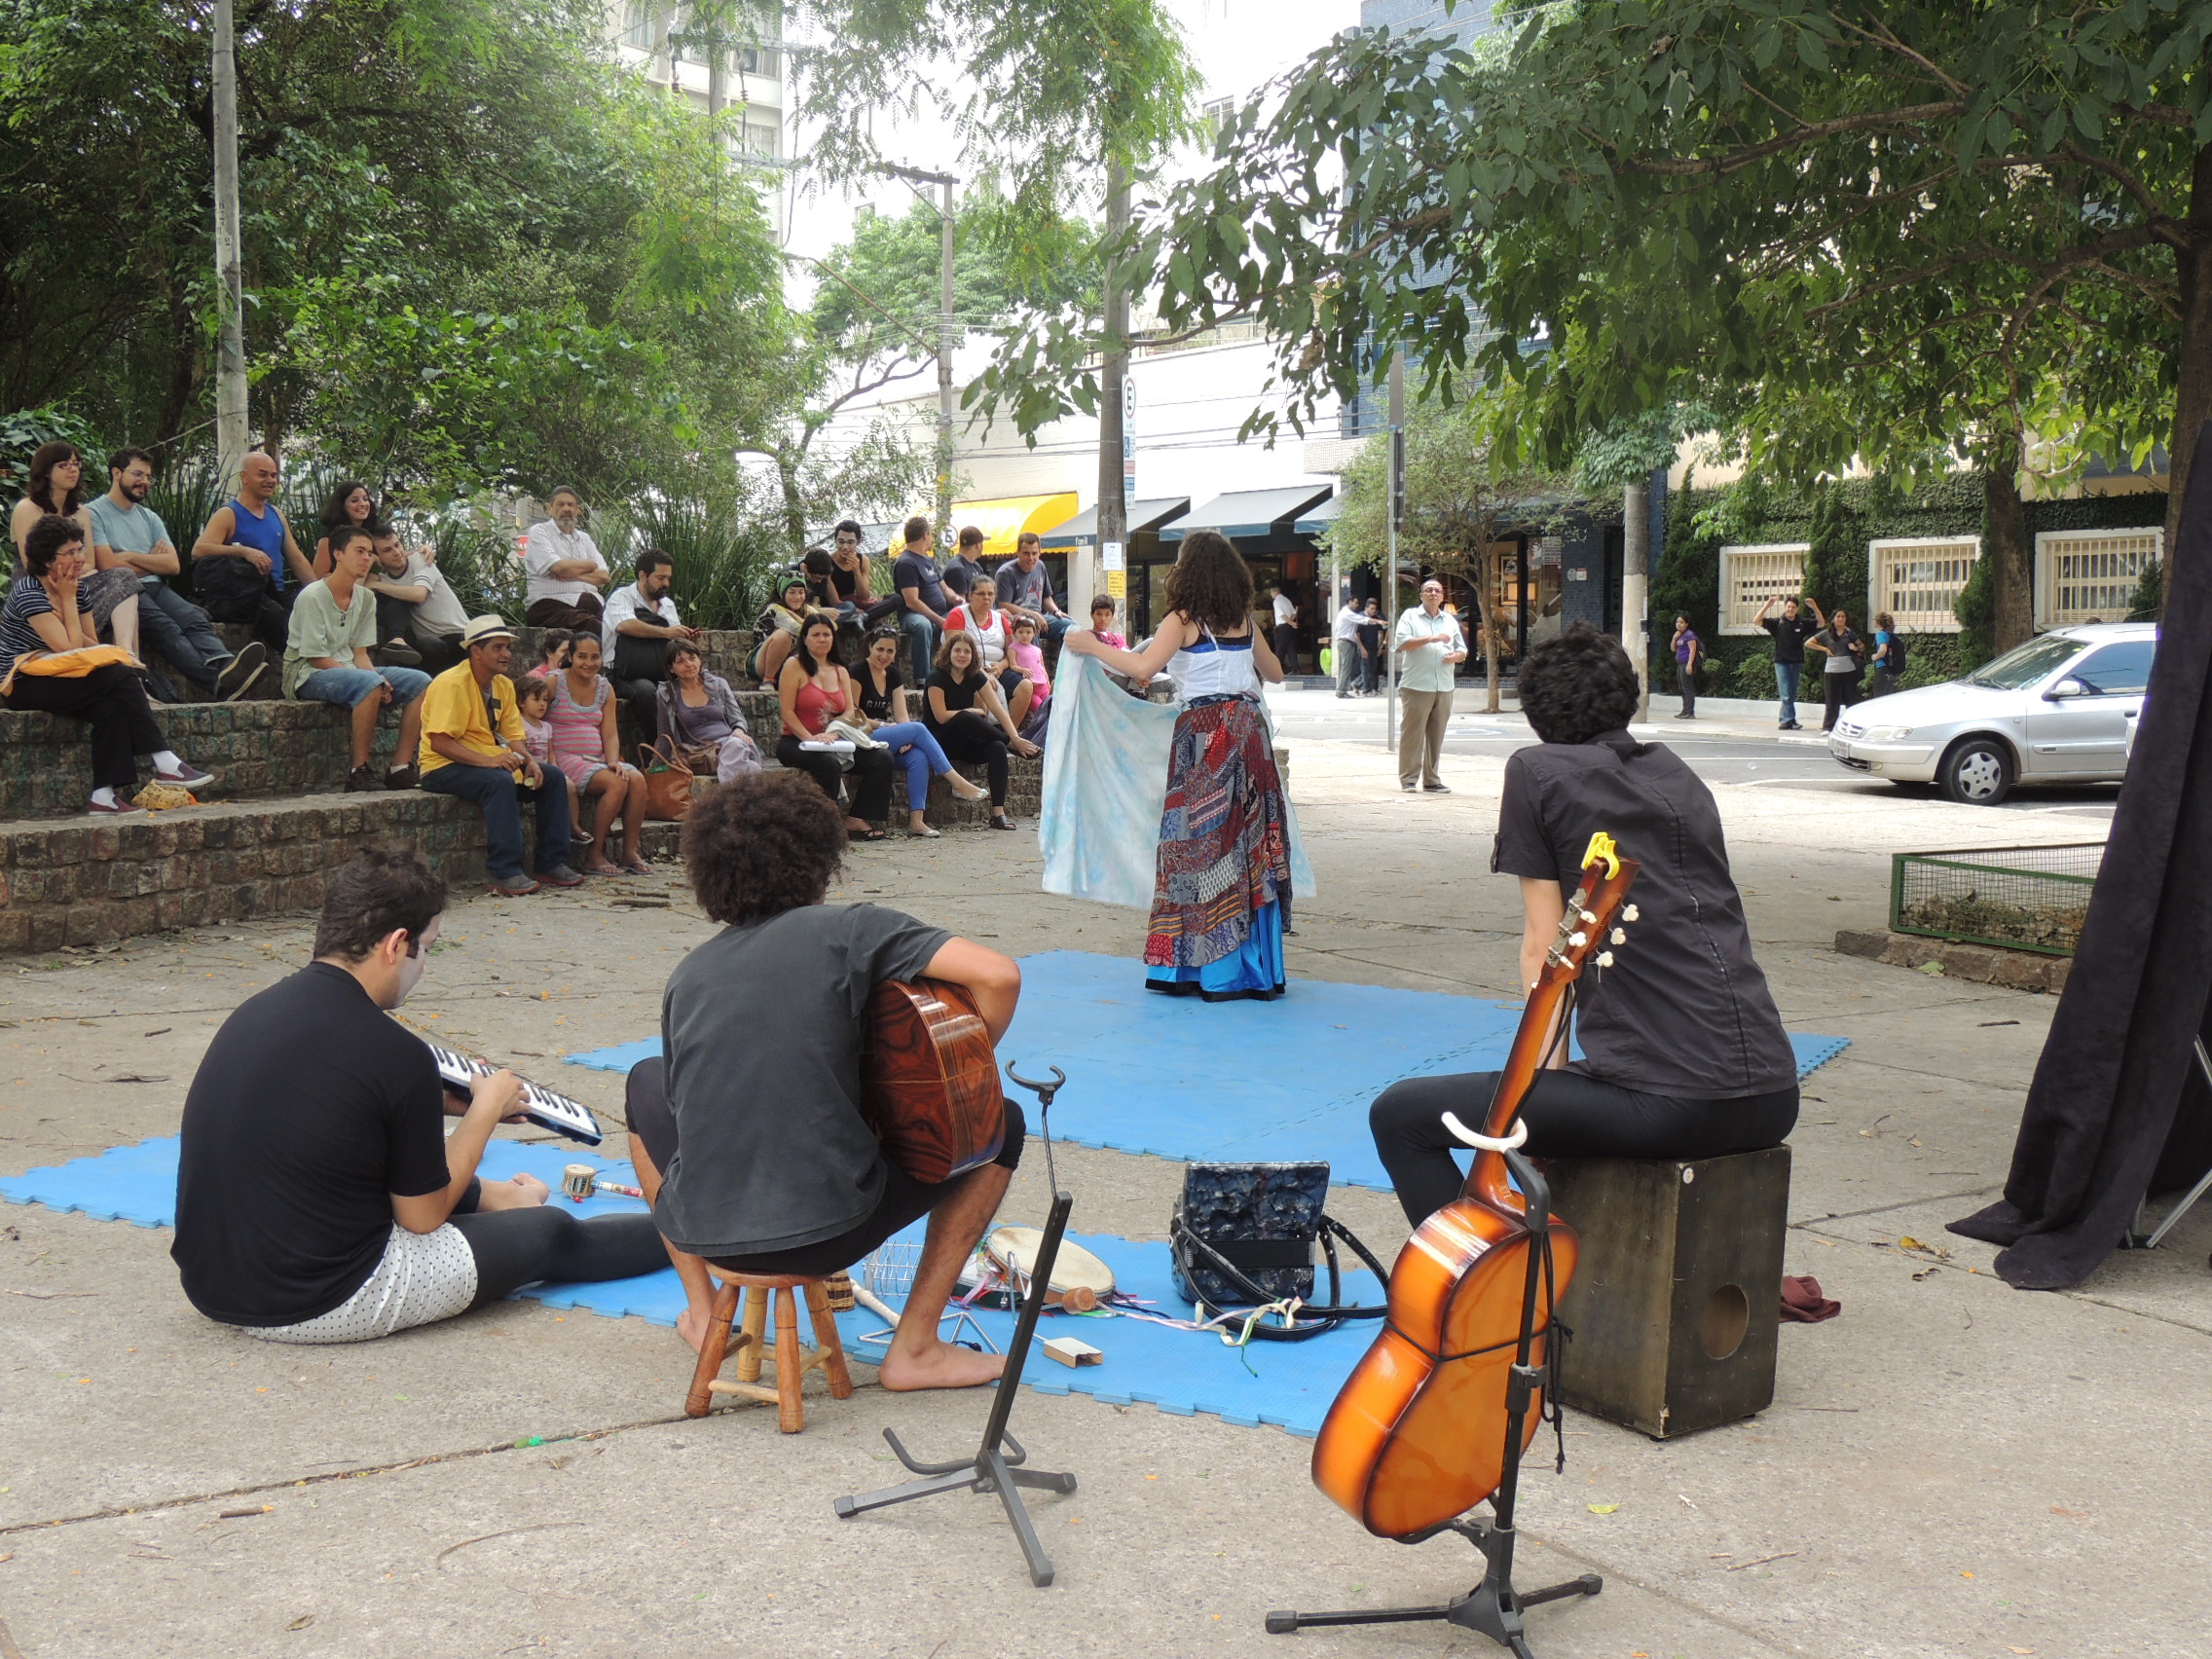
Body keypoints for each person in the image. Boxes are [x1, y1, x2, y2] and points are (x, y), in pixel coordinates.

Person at [1367, 623, 1797, 1225]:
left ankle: (1477, 1299)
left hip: (1671, 1100)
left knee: (1400, 1116)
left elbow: (1544, 954)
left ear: (1537, 715)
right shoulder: (1678, 775)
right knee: (1573, 1093)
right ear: (1629, 697)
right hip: (1774, 1093)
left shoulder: (1538, 773)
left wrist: (1539, 1117)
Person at [623, 771, 1027, 1387]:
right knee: (1001, 1119)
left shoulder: (690, 973)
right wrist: (952, 1086)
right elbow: (998, 977)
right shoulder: (853, 931)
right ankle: (915, 1348)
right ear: (819, 856)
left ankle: (705, 1312)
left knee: (644, 1081)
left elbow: (690, 1104)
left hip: (706, 1234)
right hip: (828, 1233)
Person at [170, 846, 667, 1344]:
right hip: (321, 1297)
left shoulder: (257, 1009)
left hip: (213, 1286)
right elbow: (421, 1217)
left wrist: (443, 1103)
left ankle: (510, 1198)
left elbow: (348, 1125)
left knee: (396, 1168)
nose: (423, 967)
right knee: (552, 1233)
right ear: (395, 944)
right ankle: (694, 1230)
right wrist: (485, 1110)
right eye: (426, 949)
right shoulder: (394, 1050)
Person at [1063, 529, 1292, 998]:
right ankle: (1251, 968)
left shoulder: (1183, 619)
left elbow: (1142, 668)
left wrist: (1090, 647)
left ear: (1187, 571)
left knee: (1195, 847)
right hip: (1249, 735)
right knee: (1246, 845)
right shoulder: (1244, 620)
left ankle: (1198, 968)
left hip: (1206, 736)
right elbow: (1275, 673)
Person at [1, 514, 217, 813]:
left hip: (61, 672)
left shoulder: (76, 588)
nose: (80, 558)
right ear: (49, 560)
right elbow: (67, 647)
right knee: (118, 676)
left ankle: (103, 794)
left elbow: (88, 641)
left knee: (110, 706)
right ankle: (163, 760)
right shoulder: (29, 593)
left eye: (80, 549)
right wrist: (66, 598)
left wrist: (115, 652)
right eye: (71, 552)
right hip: (23, 682)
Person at [416, 615, 583, 897]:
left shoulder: (504, 685)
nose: (506, 654)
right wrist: (491, 762)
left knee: (552, 776)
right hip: (441, 767)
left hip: (485, 761)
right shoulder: (452, 683)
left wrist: (529, 759)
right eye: (498, 648)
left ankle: (551, 862)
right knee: (499, 781)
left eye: (508, 647)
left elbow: (513, 735)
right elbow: (440, 743)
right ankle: (503, 871)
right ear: (476, 651)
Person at [89, 448, 265, 701]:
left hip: (155, 586)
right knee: (166, 628)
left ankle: (227, 667)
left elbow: (172, 565)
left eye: (149, 477)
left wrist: (129, 556)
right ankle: (218, 684)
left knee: (193, 617)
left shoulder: (149, 517)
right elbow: (107, 565)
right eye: (138, 474)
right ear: (117, 473)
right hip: (122, 592)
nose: (145, 482)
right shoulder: (94, 513)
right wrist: (151, 559)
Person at [282, 525, 431, 793]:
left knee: (421, 682)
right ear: (338, 554)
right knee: (369, 683)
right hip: (307, 674)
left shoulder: (365, 597)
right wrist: (372, 680)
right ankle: (358, 771)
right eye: (359, 551)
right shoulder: (312, 595)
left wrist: (377, 677)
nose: (367, 558)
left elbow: (360, 654)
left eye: (369, 552)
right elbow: (316, 658)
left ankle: (400, 767)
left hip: (350, 668)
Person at [12, 441, 142, 663]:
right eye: (64, 465)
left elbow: (89, 563)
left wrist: (74, 577)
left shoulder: (81, 512)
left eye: (76, 463)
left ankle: (127, 654)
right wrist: (69, 583)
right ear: (45, 471)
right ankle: (122, 663)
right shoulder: (27, 508)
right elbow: (33, 565)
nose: (73, 469)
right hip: (39, 589)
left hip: (76, 584)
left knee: (125, 579)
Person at [853, 627, 989, 837]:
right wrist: (890, 728)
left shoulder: (893, 673)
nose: (884, 655)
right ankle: (956, 781)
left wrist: (905, 737)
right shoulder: (857, 671)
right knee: (918, 728)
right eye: (880, 649)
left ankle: (916, 821)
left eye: (890, 651)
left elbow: (902, 715)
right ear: (870, 647)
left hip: (885, 738)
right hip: (861, 735)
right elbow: (854, 717)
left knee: (918, 755)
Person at [777, 609, 895, 841]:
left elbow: (850, 710)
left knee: (882, 758)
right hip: (797, 741)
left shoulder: (841, 670)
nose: (822, 639)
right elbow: (787, 712)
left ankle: (858, 819)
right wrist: (810, 738)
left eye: (827, 634)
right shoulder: (794, 665)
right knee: (828, 763)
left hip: (834, 740)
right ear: (805, 638)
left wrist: (832, 733)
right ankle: (823, 828)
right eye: (816, 634)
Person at [192, 451, 316, 655]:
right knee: (279, 621)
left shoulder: (276, 514)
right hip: (249, 595)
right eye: (263, 474)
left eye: (273, 475)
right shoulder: (228, 514)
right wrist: (243, 552)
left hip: (276, 591)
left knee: (309, 610)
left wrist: (319, 593)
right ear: (244, 477)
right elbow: (199, 550)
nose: (270, 480)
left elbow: (296, 559)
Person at [548, 632, 652, 876]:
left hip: (595, 759)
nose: (589, 662)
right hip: (562, 756)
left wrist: (613, 760)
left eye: (595, 657)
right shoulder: (554, 682)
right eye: (582, 656)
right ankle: (595, 854)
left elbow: (610, 734)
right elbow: (533, 715)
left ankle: (629, 852)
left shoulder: (605, 688)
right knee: (616, 783)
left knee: (636, 779)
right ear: (571, 657)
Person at [925, 630, 1038, 831]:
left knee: (996, 747)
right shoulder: (937, 677)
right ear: (948, 653)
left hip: (964, 742)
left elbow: (999, 711)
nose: (962, 655)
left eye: (967, 652)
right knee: (968, 717)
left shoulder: (975, 676)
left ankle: (998, 814)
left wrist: (1015, 735)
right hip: (939, 742)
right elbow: (940, 716)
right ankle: (1009, 744)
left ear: (972, 655)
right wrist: (970, 710)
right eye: (957, 650)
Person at [601, 547, 697, 750]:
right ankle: (661, 751)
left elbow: (673, 639)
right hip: (624, 675)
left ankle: (695, 744)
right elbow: (625, 625)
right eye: (661, 578)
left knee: (691, 686)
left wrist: (686, 638)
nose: (666, 584)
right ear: (643, 575)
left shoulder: (667, 604)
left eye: (668, 578)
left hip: (659, 670)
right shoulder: (621, 597)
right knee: (647, 692)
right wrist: (666, 632)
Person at [1393, 577, 1468, 793]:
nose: (1433, 593)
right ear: (1422, 595)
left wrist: (1457, 656)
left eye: (1437, 590)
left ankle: (1432, 780)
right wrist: (1432, 638)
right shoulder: (1410, 617)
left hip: (1444, 685)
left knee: (1436, 735)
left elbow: (1462, 649)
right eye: (1429, 590)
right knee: (1413, 734)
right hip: (1417, 685)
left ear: (1443, 596)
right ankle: (1408, 779)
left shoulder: (1449, 620)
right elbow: (1402, 643)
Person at [656, 638, 762, 782]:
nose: (689, 664)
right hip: (700, 753)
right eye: (681, 662)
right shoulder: (667, 694)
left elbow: (737, 718)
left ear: (699, 660)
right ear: (671, 668)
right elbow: (665, 734)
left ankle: (730, 799)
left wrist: (738, 730)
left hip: (731, 744)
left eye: (692, 658)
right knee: (751, 768)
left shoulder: (718, 684)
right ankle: (736, 799)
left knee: (736, 744)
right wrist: (657, 766)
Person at [365, 529, 469, 671]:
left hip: (458, 635)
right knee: (427, 644)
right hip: (430, 645)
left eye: (397, 545)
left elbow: (419, 594)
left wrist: (376, 585)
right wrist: (370, 562)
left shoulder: (421, 559)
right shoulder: (384, 579)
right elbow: (355, 594)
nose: (396, 552)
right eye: (387, 550)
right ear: (378, 557)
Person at [943, 573, 1036, 727]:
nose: (986, 598)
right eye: (981, 594)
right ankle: (985, 734)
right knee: (980, 687)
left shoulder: (1001, 619)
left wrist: (1002, 665)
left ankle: (1009, 737)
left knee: (1025, 686)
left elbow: (1012, 651)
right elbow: (954, 650)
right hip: (967, 669)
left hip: (998, 668)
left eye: (990, 594)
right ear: (971, 595)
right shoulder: (958, 615)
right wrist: (981, 673)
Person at [520, 488, 609, 631]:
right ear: (550, 509)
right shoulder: (539, 532)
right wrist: (590, 565)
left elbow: (604, 576)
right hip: (551, 606)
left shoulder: (584, 538)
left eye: (570, 505)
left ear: (578, 510)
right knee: (598, 628)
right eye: (560, 505)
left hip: (592, 608)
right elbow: (560, 568)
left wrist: (573, 574)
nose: (566, 509)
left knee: (621, 626)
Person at [892, 515, 952, 684]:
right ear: (925, 535)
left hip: (940, 612)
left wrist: (957, 599)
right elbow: (912, 601)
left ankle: (954, 675)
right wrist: (939, 620)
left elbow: (945, 588)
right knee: (923, 625)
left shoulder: (928, 560)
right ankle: (923, 680)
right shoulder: (906, 563)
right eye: (931, 535)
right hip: (913, 615)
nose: (931, 538)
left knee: (961, 619)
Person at [1753, 594, 1821, 731]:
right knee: (1786, 693)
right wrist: (1767, 605)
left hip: (1796, 662)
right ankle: (1790, 720)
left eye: (1793, 607)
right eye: (1788, 607)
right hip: (1781, 662)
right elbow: (1756, 620)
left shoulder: (1801, 623)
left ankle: (1784, 721)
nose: (1790, 609)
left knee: (1791, 692)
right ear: (1785, 608)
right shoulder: (1778, 623)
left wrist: (1814, 607)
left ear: (1797, 609)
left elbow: (1821, 623)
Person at [995, 533, 1071, 644]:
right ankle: (1035, 661)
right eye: (1026, 553)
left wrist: (1056, 611)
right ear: (1018, 553)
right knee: (1030, 628)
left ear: (1039, 553)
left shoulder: (1040, 566)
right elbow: (1004, 605)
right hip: (1018, 620)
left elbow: (1046, 597)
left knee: (1072, 628)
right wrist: (1033, 615)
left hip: (1040, 617)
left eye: (1034, 553)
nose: (1031, 558)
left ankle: (1064, 660)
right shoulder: (1006, 573)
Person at [830, 519, 900, 630]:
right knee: (851, 607)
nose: (845, 547)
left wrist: (856, 571)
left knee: (896, 599)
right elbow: (834, 602)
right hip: (841, 608)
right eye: (841, 542)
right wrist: (857, 610)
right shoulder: (829, 562)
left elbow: (865, 596)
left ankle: (863, 617)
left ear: (858, 542)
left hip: (858, 605)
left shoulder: (863, 560)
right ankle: (865, 616)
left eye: (850, 542)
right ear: (836, 540)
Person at [1805, 602, 1862, 732]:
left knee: (1850, 699)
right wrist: (1824, 649)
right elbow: (1808, 643)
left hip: (1848, 669)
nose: (1841, 619)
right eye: (1838, 616)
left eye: (1843, 616)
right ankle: (1828, 727)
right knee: (1832, 700)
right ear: (1833, 619)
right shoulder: (1826, 633)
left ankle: (1852, 726)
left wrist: (1855, 647)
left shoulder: (1849, 633)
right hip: (1832, 670)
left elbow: (1862, 646)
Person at [749, 573, 812, 688]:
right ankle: (768, 681)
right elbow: (799, 630)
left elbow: (831, 628)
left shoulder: (805, 609)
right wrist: (810, 623)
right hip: (761, 662)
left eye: (801, 592)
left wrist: (801, 620)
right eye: (792, 592)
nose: (797, 597)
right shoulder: (775, 609)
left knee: (820, 639)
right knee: (783, 635)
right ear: (783, 594)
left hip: (787, 662)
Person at [310, 479, 383, 576]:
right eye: (354, 500)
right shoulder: (329, 538)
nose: (362, 504)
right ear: (342, 506)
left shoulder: (373, 531)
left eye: (365, 499)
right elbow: (319, 575)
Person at [1332, 592, 1366, 699]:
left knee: (1343, 668)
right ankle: (1341, 691)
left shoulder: (1343, 612)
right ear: (1350, 602)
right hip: (1346, 642)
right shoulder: (1347, 613)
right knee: (1346, 668)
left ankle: (1340, 690)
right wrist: (1375, 621)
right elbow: (1362, 620)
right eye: (1355, 603)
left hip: (1342, 642)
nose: (1357, 605)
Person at [941, 524, 988, 603]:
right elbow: (960, 606)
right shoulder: (958, 569)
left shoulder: (976, 566)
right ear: (978, 545)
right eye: (982, 543)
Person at [1866, 611, 1906, 699]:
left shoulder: (1880, 634)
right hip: (1891, 670)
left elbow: (1883, 649)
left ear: (1878, 622)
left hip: (1882, 668)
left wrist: (1875, 656)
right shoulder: (1890, 635)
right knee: (1888, 697)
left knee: (1879, 697)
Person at [1670, 614, 1702, 719]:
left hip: (1686, 663)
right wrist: (1674, 638)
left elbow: (1692, 650)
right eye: (1677, 622)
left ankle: (1690, 712)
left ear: (1686, 624)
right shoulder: (1679, 635)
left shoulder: (1689, 635)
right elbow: (1673, 649)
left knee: (1687, 688)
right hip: (1680, 664)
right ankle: (1684, 710)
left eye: (1682, 622)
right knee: (1682, 688)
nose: (1679, 624)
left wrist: (1689, 665)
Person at [1357, 598, 1385, 694]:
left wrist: (1380, 646)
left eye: (1375, 609)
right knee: (1365, 668)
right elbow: (1356, 634)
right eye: (1372, 609)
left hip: (1374, 646)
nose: (1374, 611)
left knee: (1373, 668)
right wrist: (1361, 648)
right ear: (1366, 608)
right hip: (1364, 646)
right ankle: (1366, 689)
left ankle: (1374, 688)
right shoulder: (1361, 618)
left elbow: (1380, 632)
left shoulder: (1376, 618)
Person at [1270, 582, 1299, 675]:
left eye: (1271, 593)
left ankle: (1275, 670)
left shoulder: (1277, 601)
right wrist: (1291, 622)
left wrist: (1290, 623)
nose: (1271, 595)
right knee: (1291, 648)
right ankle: (1296, 669)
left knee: (1280, 649)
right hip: (1289, 627)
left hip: (1282, 627)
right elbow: (1294, 613)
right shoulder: (1286, 600)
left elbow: (1281, 615)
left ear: (1274, 591)